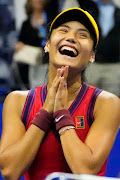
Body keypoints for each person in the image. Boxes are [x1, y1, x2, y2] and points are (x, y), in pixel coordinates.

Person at [0, 7, 120, 180]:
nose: (71, 38)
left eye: (83, 35)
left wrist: (62, 114)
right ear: (48, 45)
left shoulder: (107, 103)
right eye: (63, 30)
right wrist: (45, 111)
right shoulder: (17, 101)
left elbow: (85, 170)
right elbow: (10, 172)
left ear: (92, 56)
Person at [14, 0, 59, 89]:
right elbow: (21, 41)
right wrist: (20, 45)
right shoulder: (26, 24)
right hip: (33, 64)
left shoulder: (52, 19)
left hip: (50, 62)